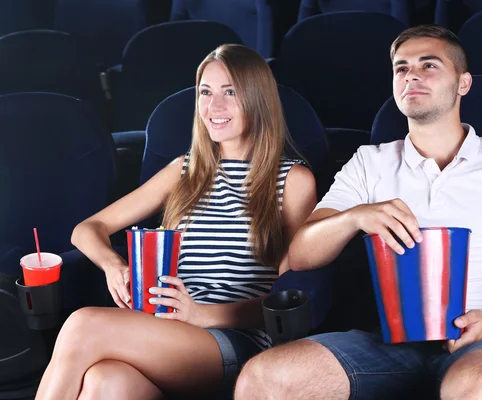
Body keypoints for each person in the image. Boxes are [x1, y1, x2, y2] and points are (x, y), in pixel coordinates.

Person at [234, 25, 482, 400]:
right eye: (401, 68)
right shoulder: (370, 161)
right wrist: (355, 217)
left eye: (429, 65)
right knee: (263, 377)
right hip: (391, 342)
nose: (411, 74)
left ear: (463, 83)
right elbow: (300, 254)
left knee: (478, 388)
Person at [35, 44, 317, 400]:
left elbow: (288, 297)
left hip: (238, 340)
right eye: (205, 92)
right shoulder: (185, 170)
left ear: (257, 99)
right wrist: (112, 266)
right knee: (106, 381)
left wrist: (201, 315)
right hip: (168, 330)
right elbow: (87, 230)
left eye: (230, 92)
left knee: (81, 326)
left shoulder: (293, 180)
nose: (214, 106)